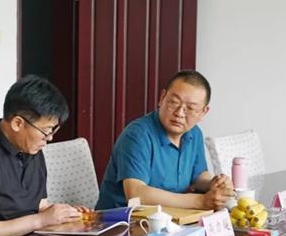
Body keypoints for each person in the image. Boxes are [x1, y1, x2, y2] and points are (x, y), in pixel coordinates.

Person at [0, 75, 86, 236]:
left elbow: (40, 206)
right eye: (46, 131)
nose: (49, 138)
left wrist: (66, 214)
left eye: (52, 131)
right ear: (18, 123)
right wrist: (40, 220)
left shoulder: (32, 148)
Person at [96, 70, 234, 210]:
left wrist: (214, 184)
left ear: (203, 112)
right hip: (122, 219)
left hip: (168, 217)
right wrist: (201, 201)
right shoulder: (138, 135)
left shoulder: (194, 133)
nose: (179, 113)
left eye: (190, 108)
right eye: (174, 102)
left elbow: (198, 176)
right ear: (162, 98)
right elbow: (136, 194)